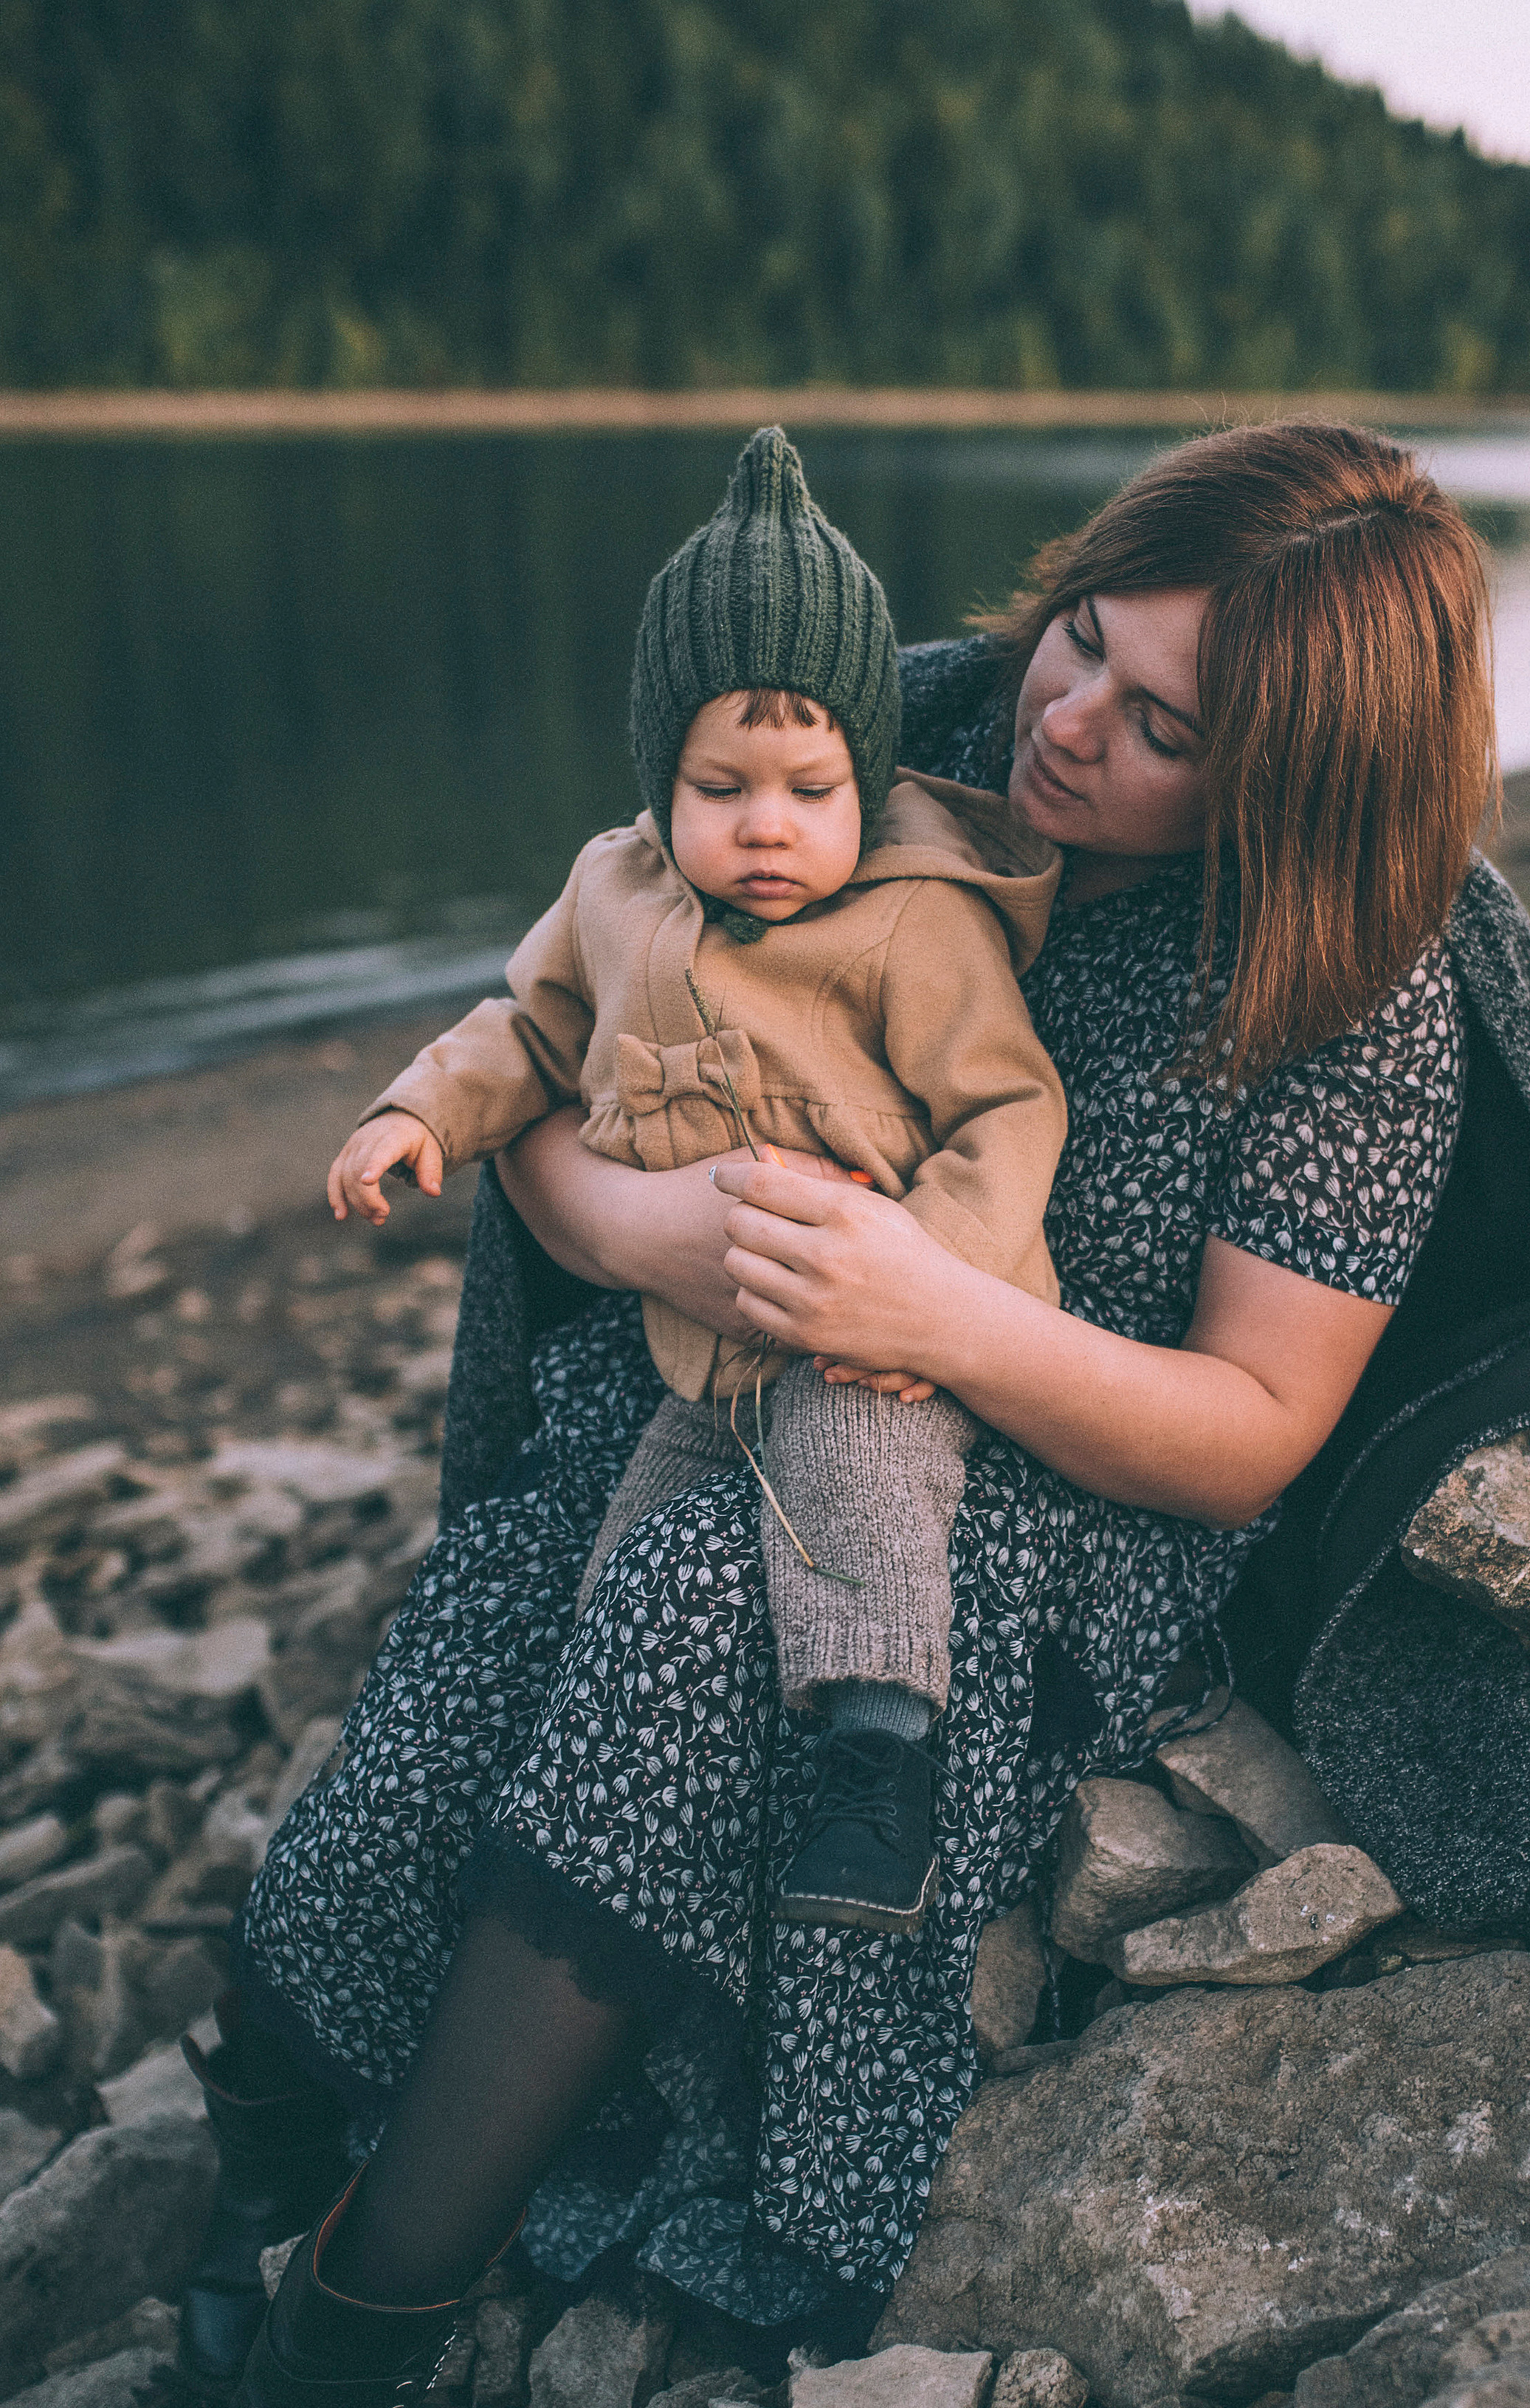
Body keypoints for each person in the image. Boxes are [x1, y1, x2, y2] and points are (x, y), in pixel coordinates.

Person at [101, 422, 1530, 2408]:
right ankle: (277, 2164)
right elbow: (562, 1013)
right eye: (1088, 643)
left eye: (1169, 731)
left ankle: (347, 2355)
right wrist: (644, 1222)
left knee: (674, 1646)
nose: (1071, 726)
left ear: (1296, 785)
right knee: (416, 1759)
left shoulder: (1360, 986)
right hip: (694, 1357)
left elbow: (1252, 1423)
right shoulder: (895, 725)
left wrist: (937, 1322)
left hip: (1043, 1478)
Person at [325, 427, 1069, 1939]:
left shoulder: (913, 927)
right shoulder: (612, 891)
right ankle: (612, 1855)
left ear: (867, 773)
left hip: (881, 1340)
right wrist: (423, 1116)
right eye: (719, 784)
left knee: (861, 1491)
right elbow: (527, 1031)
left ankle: (881, 1770)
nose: (767, 825)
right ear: (658, 774)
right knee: (628, 1579)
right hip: (704, 1356)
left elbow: (1006, 1107)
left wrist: (927, 1283)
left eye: (810, 785)